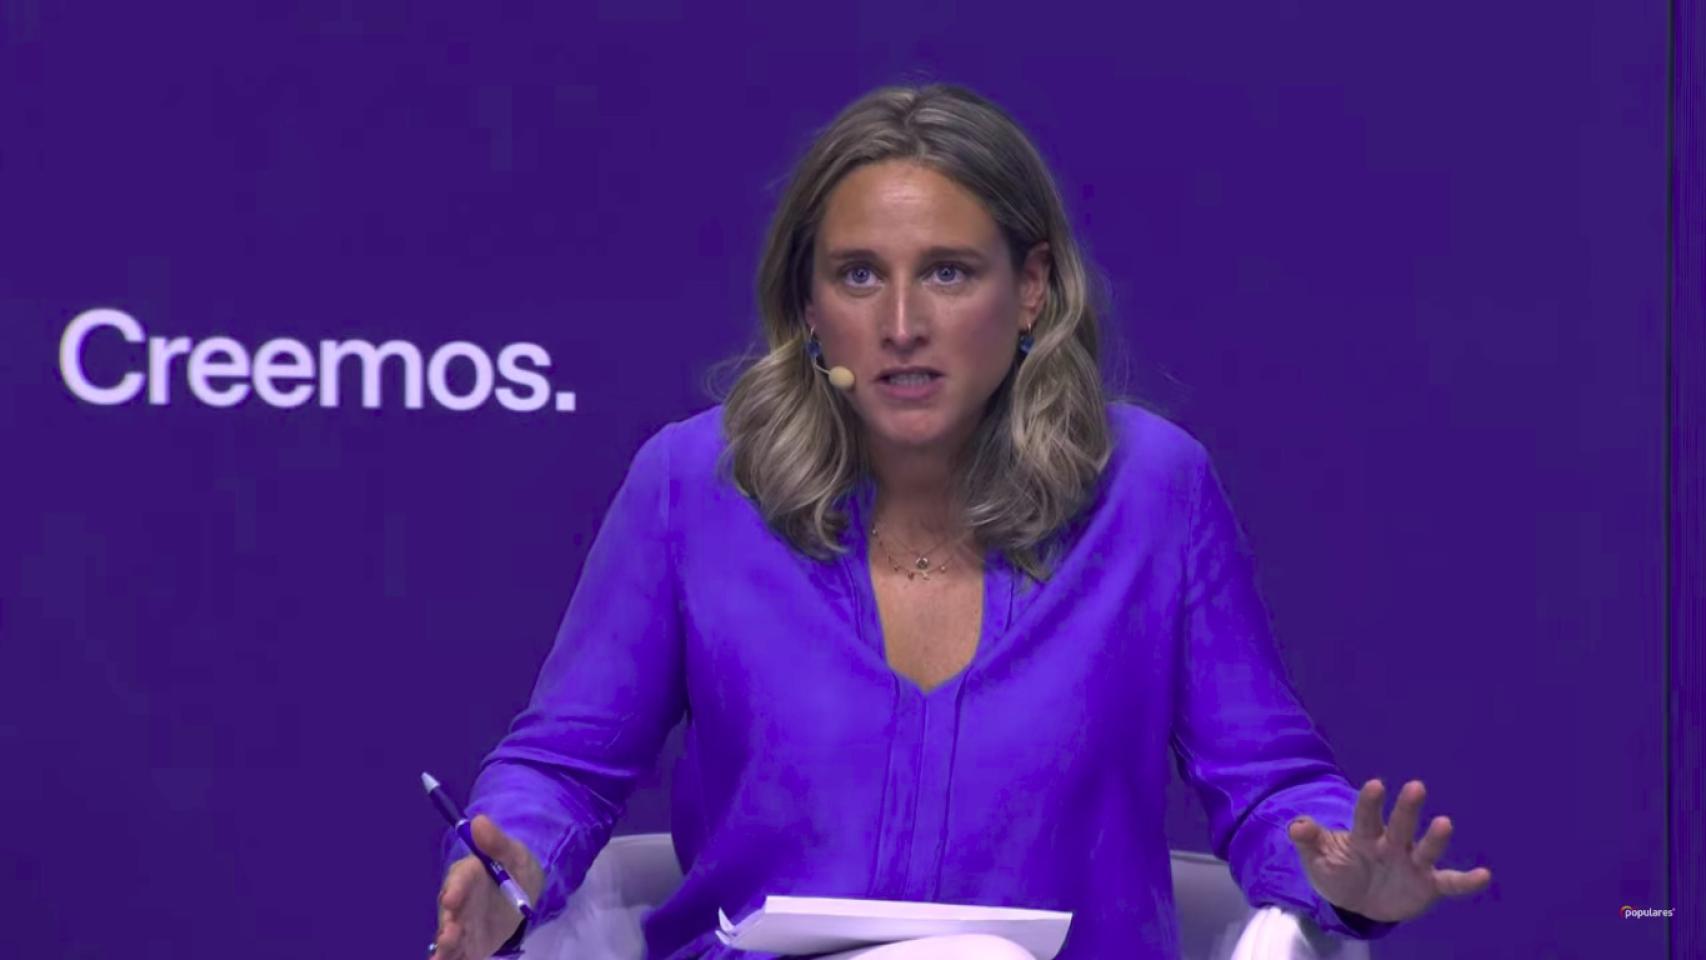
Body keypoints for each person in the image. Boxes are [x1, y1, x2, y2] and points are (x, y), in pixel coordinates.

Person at [431, 82, 1493, 960]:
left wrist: (1335, 880)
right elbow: (561, 767)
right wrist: (508, 868)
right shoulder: (695, 486)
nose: (899, 326)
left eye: (946, 272)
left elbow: (1267, 786)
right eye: (857, 276)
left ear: (1030, 288)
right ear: (807, 306)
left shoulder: (1150, 491)